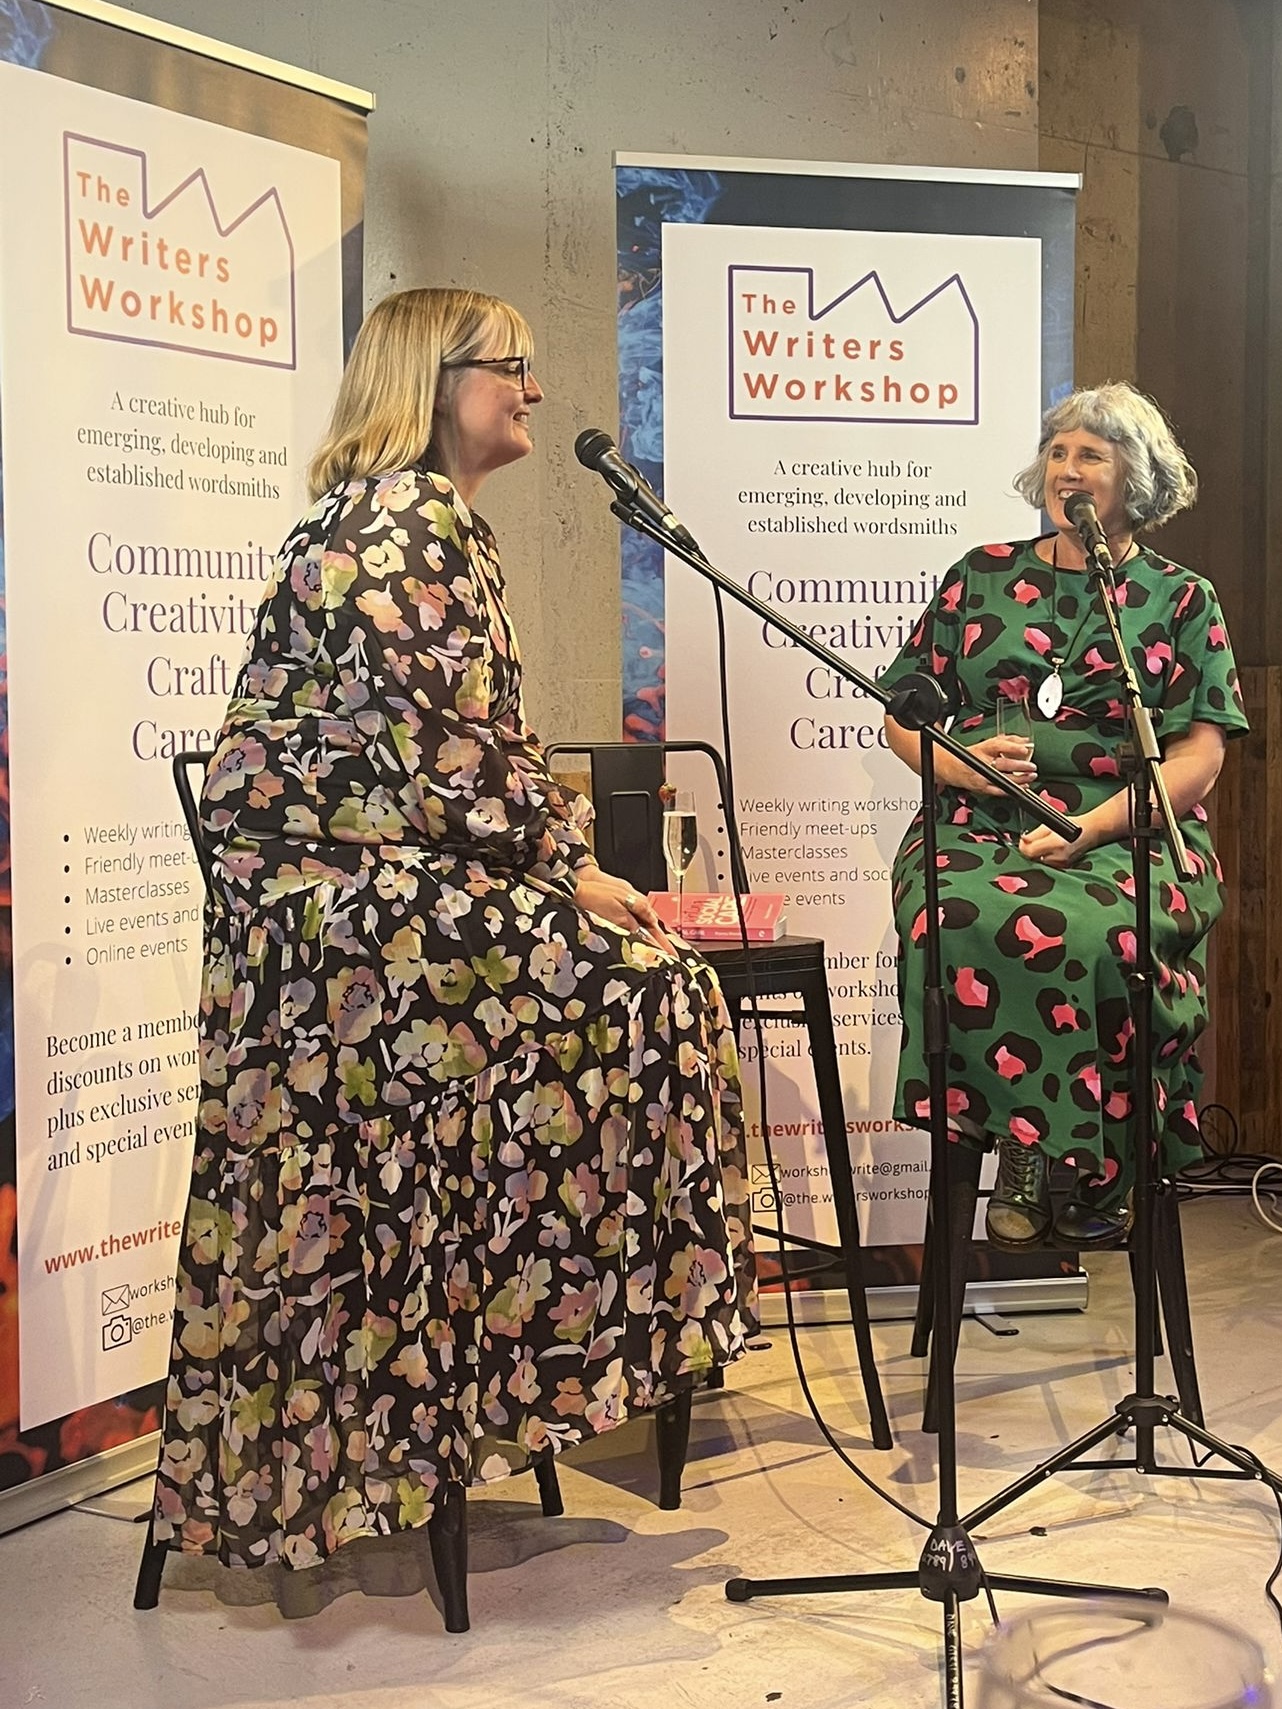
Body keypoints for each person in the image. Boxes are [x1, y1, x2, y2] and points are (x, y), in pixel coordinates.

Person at [152, 287, 757, 1572]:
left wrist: (561, 857)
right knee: (652, 992)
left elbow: (468, 752)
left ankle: (504, 1364)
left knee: (644, 983)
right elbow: (448, 759)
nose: (534, 390)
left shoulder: (439, 524)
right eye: (513, 367)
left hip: (382, 891)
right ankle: (529, 1360)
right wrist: (574, 868)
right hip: (324, 928)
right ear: (434, 378)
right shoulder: (397, 522)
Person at [879, 382, 1247, 1250]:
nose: (1067, 470)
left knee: (1091, 931)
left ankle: (1101, 1157)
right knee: (956, 916)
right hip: (978, 819)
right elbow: (898, 713)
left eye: (1091, 455)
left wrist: (1101, 825)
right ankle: (1025, 1147)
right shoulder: (981, 574)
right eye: (1058, 451)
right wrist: (956, 764)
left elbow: (1202, 754)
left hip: (1130, 824)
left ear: (1137, 478)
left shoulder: (1181, 598)